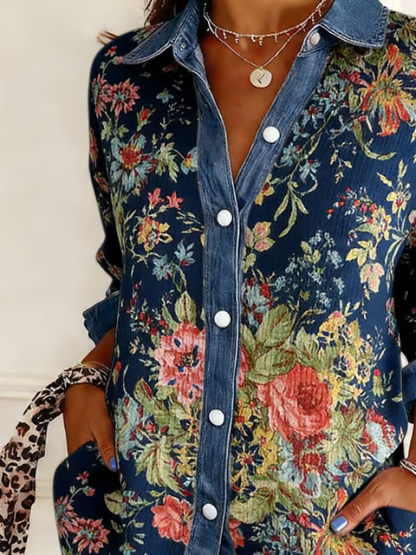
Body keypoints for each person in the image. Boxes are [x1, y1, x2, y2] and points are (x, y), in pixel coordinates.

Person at [3, 0, 416, 553]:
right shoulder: (124, 78)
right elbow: (138, 282)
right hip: (143, 519)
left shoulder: (404, 69)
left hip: (324, 531)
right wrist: (88, 379)